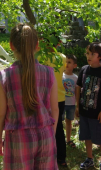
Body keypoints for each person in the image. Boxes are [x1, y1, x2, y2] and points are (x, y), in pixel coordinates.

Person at [0, 24, 59, 170]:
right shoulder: (49, 73)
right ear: (37, 45)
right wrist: (51, 134)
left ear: (11, 45)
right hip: (46, 135)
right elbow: (55, 109)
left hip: (18, 139)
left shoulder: (5, 76)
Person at [75, 42, 101, 170]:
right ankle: (89, 159)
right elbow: (78, 87)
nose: (89, 56)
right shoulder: (84, 69)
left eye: (92, 54)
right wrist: (77, 106)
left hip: (97, 114)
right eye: (87, 53)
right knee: (86, 136)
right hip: (84, 112)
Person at [40, 37, 68, 167]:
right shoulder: (62, 57)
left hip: (44, 97)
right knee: (58, 127)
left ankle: (46, 155)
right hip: (60, 97)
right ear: (59, 43)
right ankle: (61, 157)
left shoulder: (40, 57)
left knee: (44, 126)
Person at [63, 54, 78, 148]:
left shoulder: (75, 78)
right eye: (65, 62)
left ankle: (68, 139)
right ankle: (58, 138)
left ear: (74, 66)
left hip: (71, 104)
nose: (67, 64)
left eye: (69, 62)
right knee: (59, 121)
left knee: (69, 121)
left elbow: (77, 92)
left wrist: (76, 104)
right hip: (61, 102)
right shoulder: (60, 75)